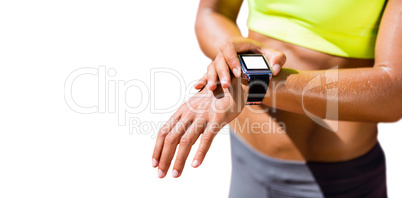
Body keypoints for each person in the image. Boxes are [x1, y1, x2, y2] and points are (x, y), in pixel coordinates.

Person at [152, 0, 402, 197]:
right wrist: (234, 60)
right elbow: (212, 13)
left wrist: (252, 84)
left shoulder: (249, 84)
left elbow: (393, 92)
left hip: (340, 182)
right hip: (247, 164)